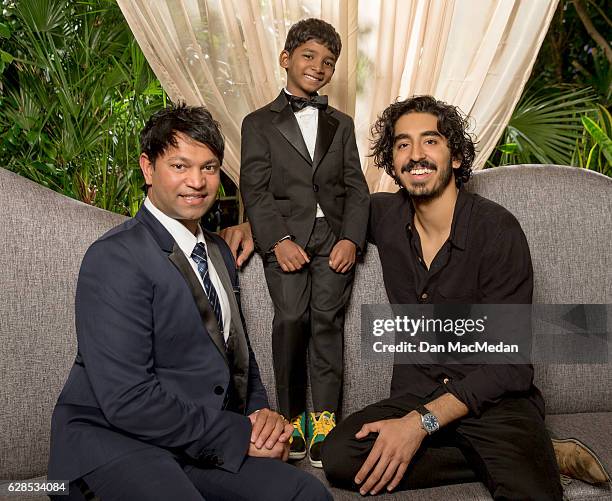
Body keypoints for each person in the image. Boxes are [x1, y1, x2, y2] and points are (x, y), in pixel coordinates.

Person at [47, 105, 332, 501]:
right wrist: (237, 435)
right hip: (113, 442)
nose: (196, 182)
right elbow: (128, 399)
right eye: (180, 166)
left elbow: (237, 358)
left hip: (191, 447)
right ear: (148, 169)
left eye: (209, 168)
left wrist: (262, 418)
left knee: (306, 495)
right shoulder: (114, 257)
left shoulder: (219, 252)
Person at [319, 96, 564, 498]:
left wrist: (420, 425)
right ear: (393, 163)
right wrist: (250, 231)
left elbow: (512, 367)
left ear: (455, 157)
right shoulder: (382, 215)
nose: (416, 155)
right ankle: (533, 453)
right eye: (402, 144)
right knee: (340, 456)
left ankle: (526, 451)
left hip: (493, 400)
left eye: (430, 141)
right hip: (417, 394)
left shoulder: (497, 231)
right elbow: (314, 213)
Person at [239, 18, 370, 467]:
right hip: (288, 241)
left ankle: (327, 426)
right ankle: (294, 421)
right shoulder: (257, 123)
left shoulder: (342, 123)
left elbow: (356, 187)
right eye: (309, 56)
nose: (319, 66)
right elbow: (253, 190)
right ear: (287, 59)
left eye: (328, 62)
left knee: (327, 325)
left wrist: (352, 238)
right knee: (292, 319)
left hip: (333, 239)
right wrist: (277, 241)